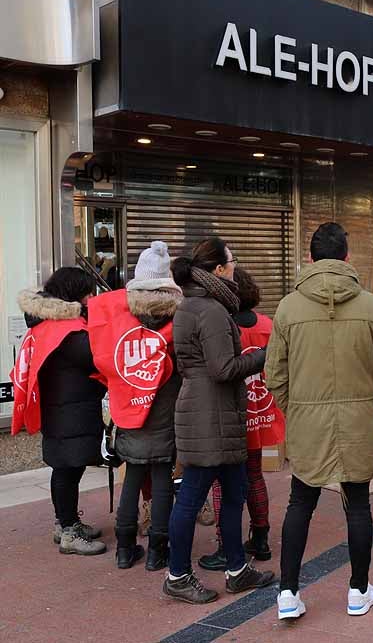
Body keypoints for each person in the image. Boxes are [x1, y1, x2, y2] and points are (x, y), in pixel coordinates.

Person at [266, 222, 373, 620]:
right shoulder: (371, 305)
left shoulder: (289, 307)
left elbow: (275, 374)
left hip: (307, 419)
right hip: (356, 419)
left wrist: (298, 407)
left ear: (309, 258)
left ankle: (288, 592)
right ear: (346, 256)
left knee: (300, 502)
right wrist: (364, 399)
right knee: (357, 503)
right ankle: (358, 590)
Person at [164, 237, 272, 605]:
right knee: (192, 496)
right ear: (218, 270)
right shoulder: (208, 310)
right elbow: (223, 368)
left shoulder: (192, 305)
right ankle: (178, 575)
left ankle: (237, 569)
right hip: (210, 416)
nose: (235, 266)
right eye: (231, 260)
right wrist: (264, 357)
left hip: (214, 413)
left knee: (234, 492)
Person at [87, 241, 181, 570]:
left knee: (132, 478)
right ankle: (158, 551)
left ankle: (125, 550)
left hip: (129, 410)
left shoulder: (118, 323)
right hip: (165, 413)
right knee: (162, 481)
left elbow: (101, 361)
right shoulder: (176, 318)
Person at [12, 268, 106, 556]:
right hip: (70, 411)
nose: (91, 298)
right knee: (67, 469)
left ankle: (65, 522)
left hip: (59, 408)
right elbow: (96, 358)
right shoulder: (68, 331)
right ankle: (68, 531)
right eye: (88, 292)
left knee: (66, 468)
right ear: (75, 293)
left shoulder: (45, 324)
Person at [199, 268, 285, 571]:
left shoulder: (221, 325)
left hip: (231, 414)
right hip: (260, 411)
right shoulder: (267, 325)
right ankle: (261, 538)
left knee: (223, 484)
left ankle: (226, 544)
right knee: (255, 474)